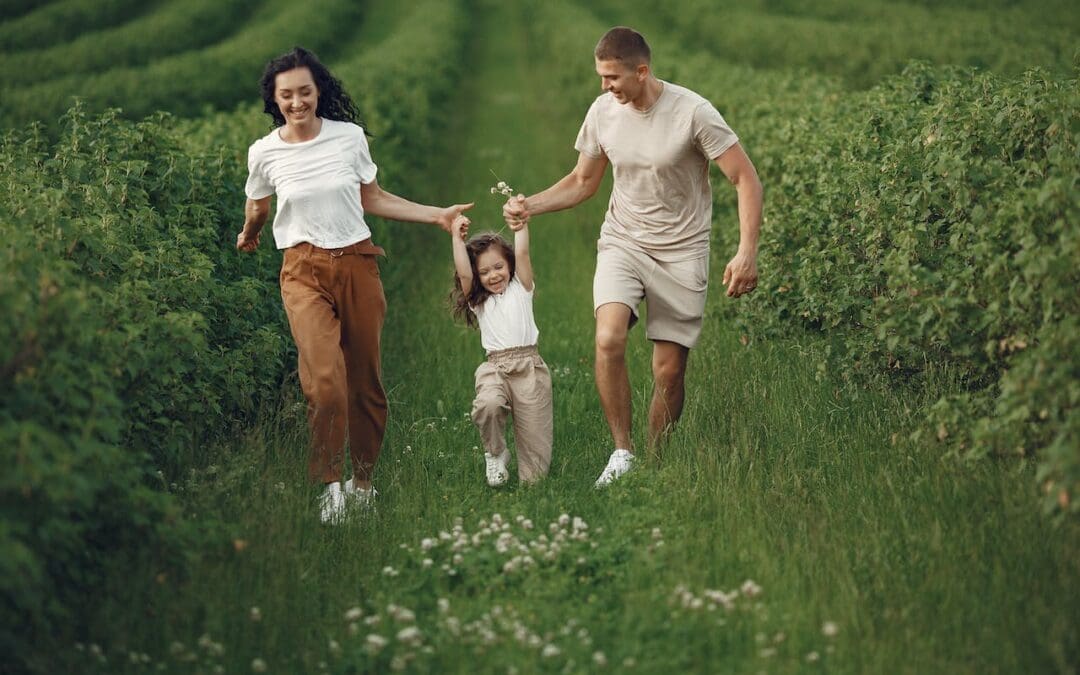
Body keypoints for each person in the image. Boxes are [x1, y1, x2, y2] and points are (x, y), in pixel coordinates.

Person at [502, 27, 762, 487]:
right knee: (608, 338)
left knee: (669, 370)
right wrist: (531, 206)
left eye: (613, 77)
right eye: (601, 77)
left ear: (642, 71)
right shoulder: (604, 111)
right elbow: (583, 181)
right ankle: (622, 452)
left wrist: (746, 252)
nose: (605, 86)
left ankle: (656, 462)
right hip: (624, 241)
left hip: (683, 251)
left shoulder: (693, 113)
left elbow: (745, 179)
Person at [236, 46, 472, 523]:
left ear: (318, 90)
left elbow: (374, 197)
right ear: (274, 99)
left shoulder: (348, 138)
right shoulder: (264, 152)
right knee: (325, 382)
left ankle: (362, 486)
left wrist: (437, 216)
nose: (298, 102)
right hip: (301, 270)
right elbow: (258, 205)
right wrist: (249, 235)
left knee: (364, 381)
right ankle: (330, 486)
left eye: (305, 91)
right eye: (287, 95)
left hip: (358, 264)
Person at [449, 214, 553, 486]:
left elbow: (522, 251)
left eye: (498, 267)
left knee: (536, 472)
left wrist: (521, 225)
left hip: (530, 368)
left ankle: (531, 484)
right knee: (488, 405)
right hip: (495, 367)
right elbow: (463, 272)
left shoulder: (522, 287)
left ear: (509, 265)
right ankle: (495, 453)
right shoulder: (478, 300)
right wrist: (456, 240)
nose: (493, 275)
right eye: (484, 272)